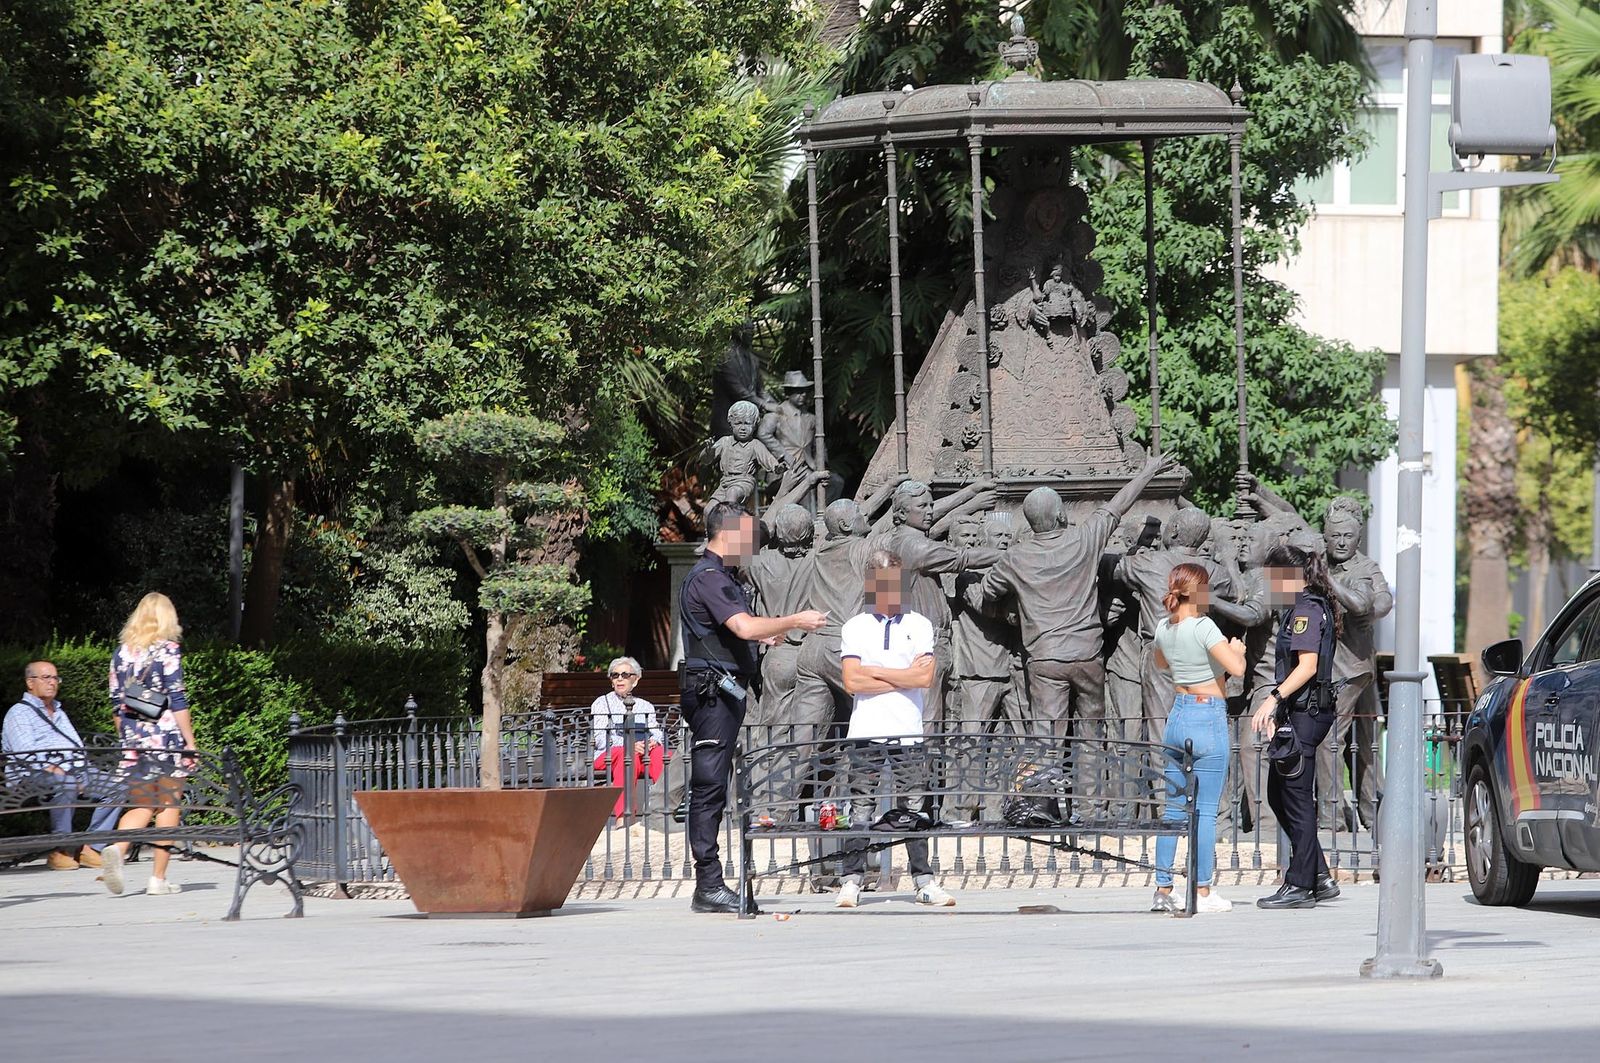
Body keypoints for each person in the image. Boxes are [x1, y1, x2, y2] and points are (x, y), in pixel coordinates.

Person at [680, 503, 828, 914]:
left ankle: (710, 883)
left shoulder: (720, 576)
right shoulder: (709, 577)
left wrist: (762, 638)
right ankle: (707, 885)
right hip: (712, 695)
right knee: (709, 786)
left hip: (721, 692)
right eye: (746, 536)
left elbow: (733, 632)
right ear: (727, 534)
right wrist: (793, 620)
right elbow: (743, 625)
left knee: (714, 786)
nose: (752, 546)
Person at [836, 549, 956, 909]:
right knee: (861, 807)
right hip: (866, 730)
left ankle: (923, 880)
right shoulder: (854, 627)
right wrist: (901, 678)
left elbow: (925, 676)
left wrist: (877, 672)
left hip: (907, 731)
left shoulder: (919, 624)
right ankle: (851, 881)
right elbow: (852, 682)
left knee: (914, 807)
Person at [1149, 566, 1247, 914]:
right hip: (1206, 715)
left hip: (1177, 715)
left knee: (1173, 808)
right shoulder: (1204, 626)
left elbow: (1162, 663)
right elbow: (1235, 670)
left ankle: (1163, 889)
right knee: (1204, 810)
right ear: (1200, 592)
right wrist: (1238, 651)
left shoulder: (1165, 626)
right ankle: (1202, 890)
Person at [1251, 544, 1343, 910]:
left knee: (1297, 799)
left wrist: (1272, 699)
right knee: (1280, 793)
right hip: (1301, 711)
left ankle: (1300, 885)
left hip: (1307, 712)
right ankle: (1318, 874)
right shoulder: (1303, 607)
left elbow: (1306, 667)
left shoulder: (1305, 609)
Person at [101, 592, 198, 897]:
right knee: (169, 804)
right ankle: (158, 879)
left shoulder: (121, 653)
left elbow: (117, 704)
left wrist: (128, 740)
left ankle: (117, 848)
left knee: (142, 803)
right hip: (166, 739)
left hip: (134, 741)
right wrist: (189, 743)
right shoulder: (168, 651)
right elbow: (178, 700)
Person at [1, 662, 121, 870]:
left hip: (72, 771)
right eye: (46, 678)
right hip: (31, 776)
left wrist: (82, 770)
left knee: (116, 786)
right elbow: (26, 754)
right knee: (65, 782)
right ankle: (61, 850)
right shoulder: (18, 713)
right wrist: (58, 769)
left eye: (55, 678)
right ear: (30, 682)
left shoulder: (58, 711)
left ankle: (92, 848)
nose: (52, 682)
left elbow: (77, 747)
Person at [1319, 500, 1392, 833]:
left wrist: (1370, 611)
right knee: (1360, 743)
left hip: (1352, 668)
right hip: (1332, 666)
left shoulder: (1364, 567)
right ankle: (1366, 813)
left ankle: (1334, 818)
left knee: (1335, 742)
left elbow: (1382, 599)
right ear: (1325, 535)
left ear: (1358, 536)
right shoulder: (1319, 562)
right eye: (1335, 535)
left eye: (1348, 535)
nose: (1342, 542)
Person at [589, 657, 666, 818]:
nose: (619, 679)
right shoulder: (602, 703)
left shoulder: (646, 706)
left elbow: (657, 732)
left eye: (625, 675)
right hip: (609, 755)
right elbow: (601, 738)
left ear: (635, 680)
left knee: (659, 752)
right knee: (627, 756)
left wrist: (651, 742)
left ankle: (664, 809)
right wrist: (630, 745)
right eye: (615, 675)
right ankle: (624, 816)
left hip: (642, 754)